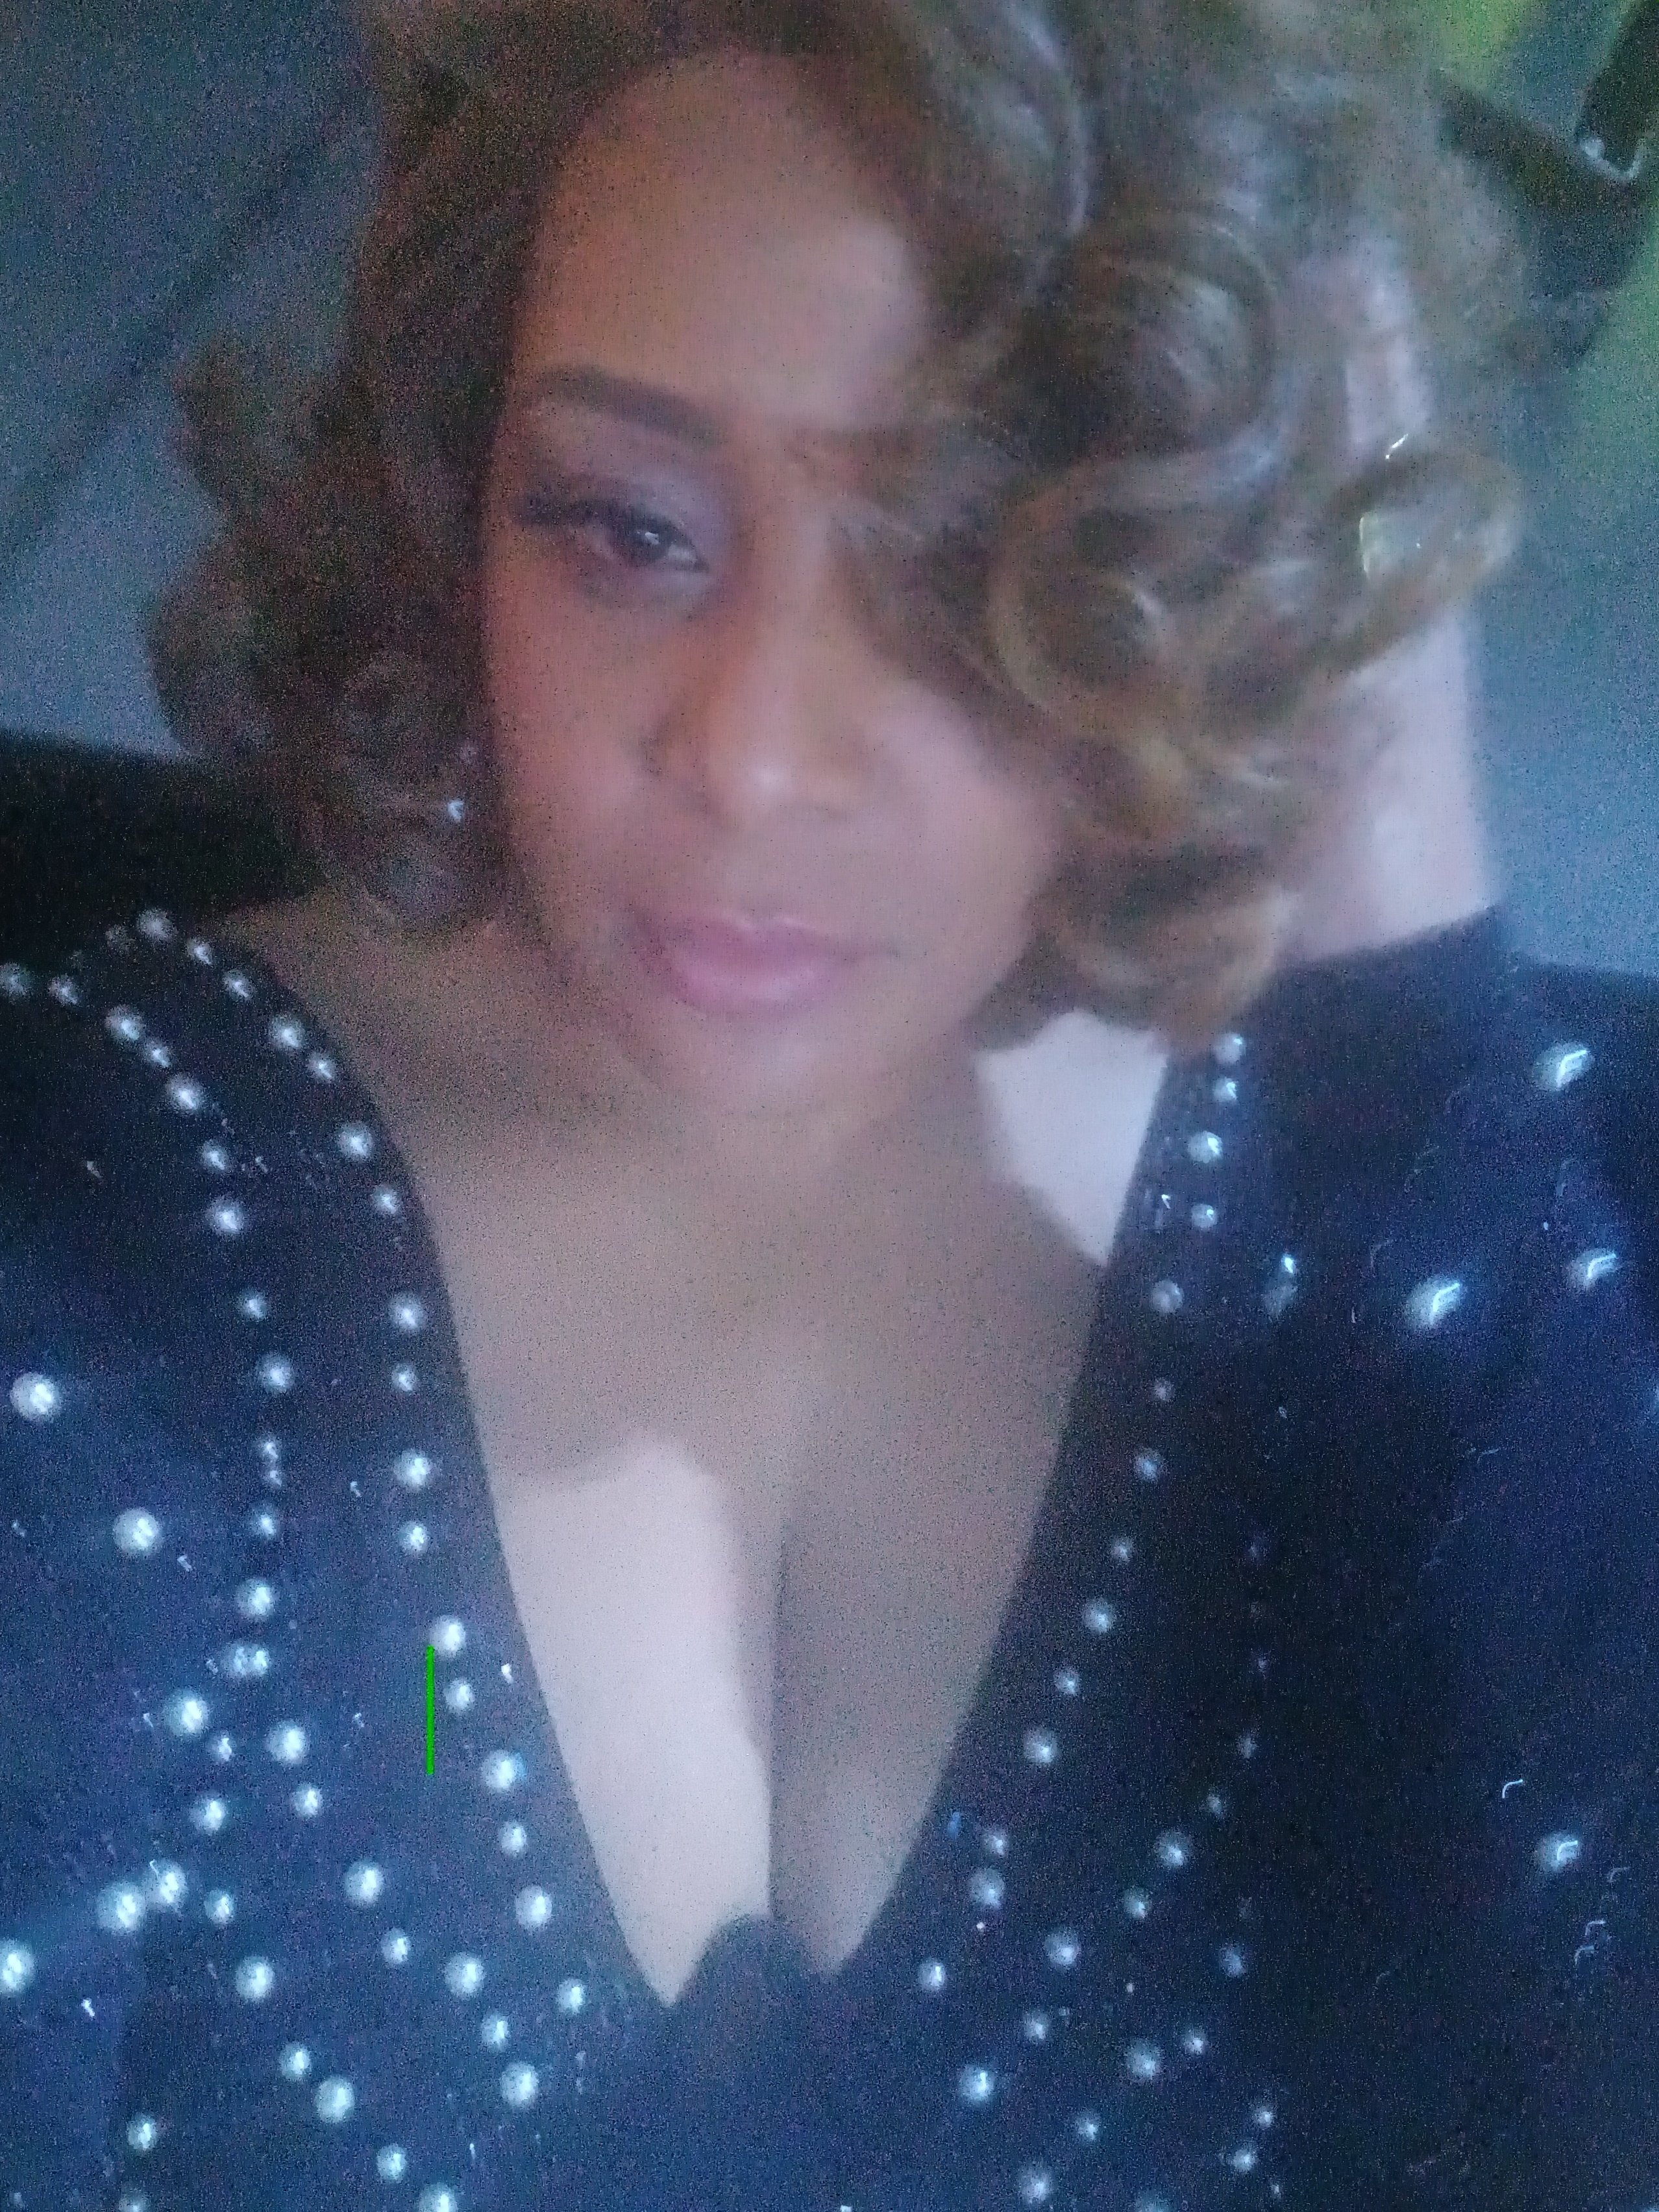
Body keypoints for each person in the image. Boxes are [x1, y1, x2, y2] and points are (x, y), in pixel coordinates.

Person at [3, 0, 1657, 2206]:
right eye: (627, 529)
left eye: (972, 556)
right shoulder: (111, 1221)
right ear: (459, 489)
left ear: (1210, 566)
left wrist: (1396, 933)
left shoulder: (1438, 1253)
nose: (756, 757)